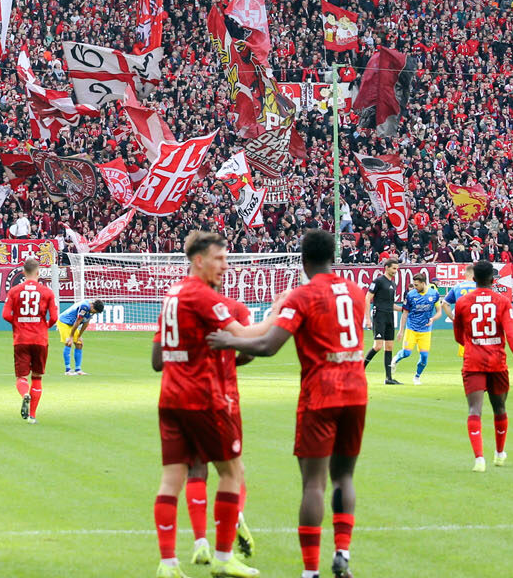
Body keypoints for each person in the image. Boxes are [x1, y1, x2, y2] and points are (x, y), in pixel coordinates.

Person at [210, 230, 367, 578]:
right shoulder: (356, 293)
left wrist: (227, 341)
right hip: (356, 391)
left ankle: (311, 572)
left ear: (303, 260)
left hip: (321, 394)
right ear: (333, 256)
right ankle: (342, 554)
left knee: (314, 484)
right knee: (344, 477)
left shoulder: (302, 295)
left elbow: (268, 345)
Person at [151, 230, 259, 578]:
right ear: (199, 260)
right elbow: (245, 339)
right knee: (231, 472)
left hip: (170, 396)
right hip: (206, 397)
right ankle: (224, 557)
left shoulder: (172, 293)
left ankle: (168, 563)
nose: (225, 266)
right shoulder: (205, 297)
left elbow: (158, 358)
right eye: (220, 259)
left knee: (172, 479)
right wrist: (282, 314)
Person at [452, 261, 513, 471]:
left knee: (474, 409)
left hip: (473, 361)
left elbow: (458, 335)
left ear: (473, 279)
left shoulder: (463, 302)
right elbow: (511, 334)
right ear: (493, 280)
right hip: (497, 362)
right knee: (500, 408)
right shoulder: (502, 301)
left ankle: (479, 459)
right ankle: (500, 453)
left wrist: (472, 344)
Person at [1, 258, 57, 422]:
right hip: (40, 339)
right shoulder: (47, 292)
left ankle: (25, 393)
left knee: (22, 377)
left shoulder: (14, 291)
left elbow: (5, 315)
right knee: (37, 377)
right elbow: (54, 317)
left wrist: (18, 323)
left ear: (24, 273)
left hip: (21, 339)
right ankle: (32, 415)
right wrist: (44, 326)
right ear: (38, 273)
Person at [391, 273, 442, 384]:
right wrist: (401, 331)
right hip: (411, 329)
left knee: (424, 357)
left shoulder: (434, 294)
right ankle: (395, 359)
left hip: (426, 331)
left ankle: (417, 377)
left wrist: (433, 319)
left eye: (416, 285)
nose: (415, 287)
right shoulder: (410, 295)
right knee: (407, 353)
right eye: (414, 285)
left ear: (423, 283)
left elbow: (439, 312)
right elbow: (405, 314)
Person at [362, 258, 400, 384]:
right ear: (387, 267)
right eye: (394, 268)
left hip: (390, 316)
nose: (396, 271)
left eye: (397, 269)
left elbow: (391, 304)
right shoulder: (378, 281)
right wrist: (367, 318)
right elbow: (367, 298)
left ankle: (388, 378)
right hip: (379, 316)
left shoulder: (393, 284)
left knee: (389, 347)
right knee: (378, 346)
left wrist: (403, 309)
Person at [56, 297, 105, 374]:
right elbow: (78, 321)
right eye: (95, 311)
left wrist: (79, 336)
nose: (94, 313)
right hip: (64, 322)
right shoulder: (84, 307)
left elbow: (86, 323)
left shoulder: (92, 310)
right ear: (92, 307)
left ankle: (78, 369)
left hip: (72, 324)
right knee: (69, 343)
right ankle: (68, 370)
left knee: (79, 344)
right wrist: (71, 336)